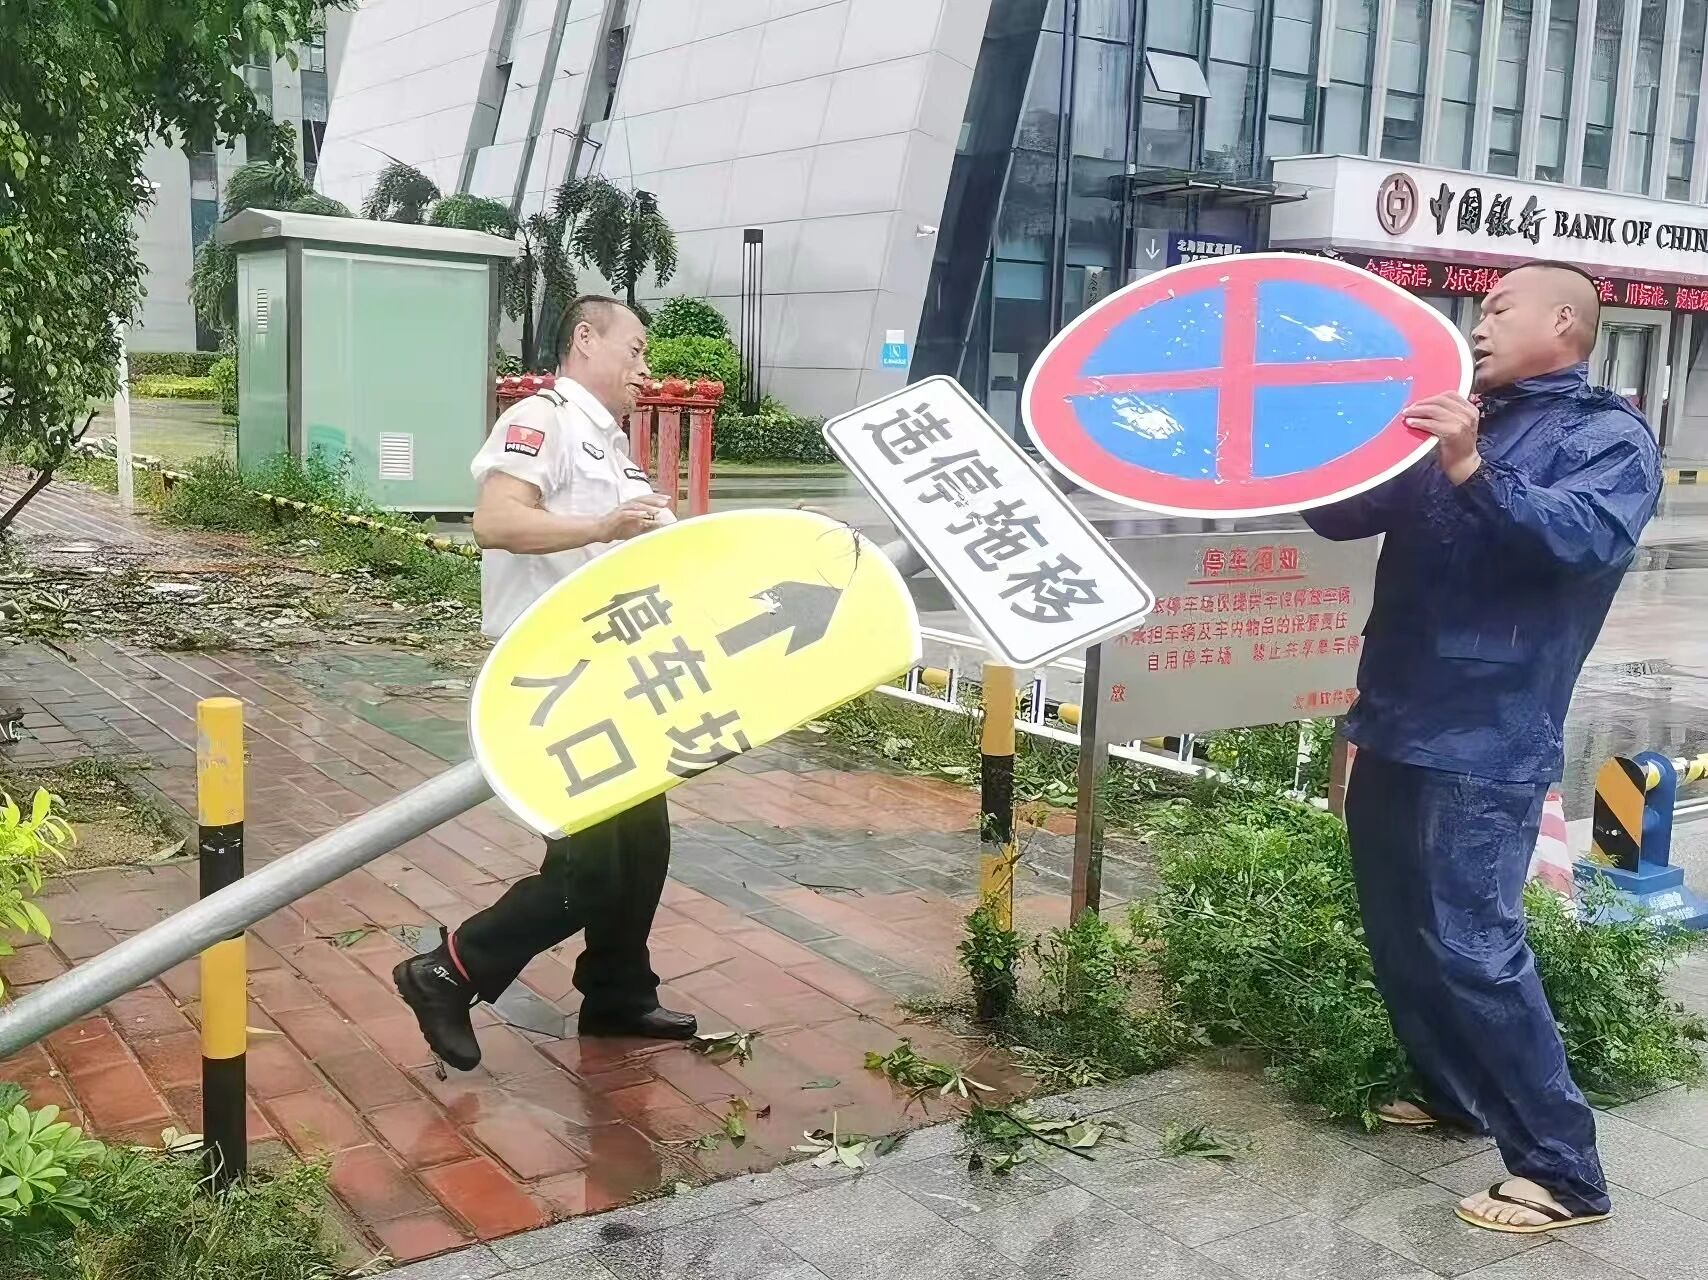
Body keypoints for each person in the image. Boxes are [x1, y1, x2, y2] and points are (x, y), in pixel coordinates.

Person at [1304, 261, 1661, 1235]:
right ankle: (1453, 1090)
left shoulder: (1606, 436)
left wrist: (1469, 466)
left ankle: (1562, 1169)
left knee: (1473, 944)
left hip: (1487, 732)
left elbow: (1580, 540)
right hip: (1393, 715)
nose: (1480, 321)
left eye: (1500, 307)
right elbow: (1341, 511)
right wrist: (1308, 449)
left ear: (1565, 323)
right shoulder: (1455, 419)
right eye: (1479, 307)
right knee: (1398, 932)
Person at [393, 295, 698, 1071]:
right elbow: (496, 521)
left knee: (643, 847)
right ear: (585, 338)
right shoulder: (543, 422)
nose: (643, 366)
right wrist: (601, 527)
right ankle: (448, 971)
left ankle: (617, 993)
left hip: (609, 668)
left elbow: (644, 550)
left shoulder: (609, 445)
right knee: (591, 868)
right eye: (633, 349)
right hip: (551, 675)